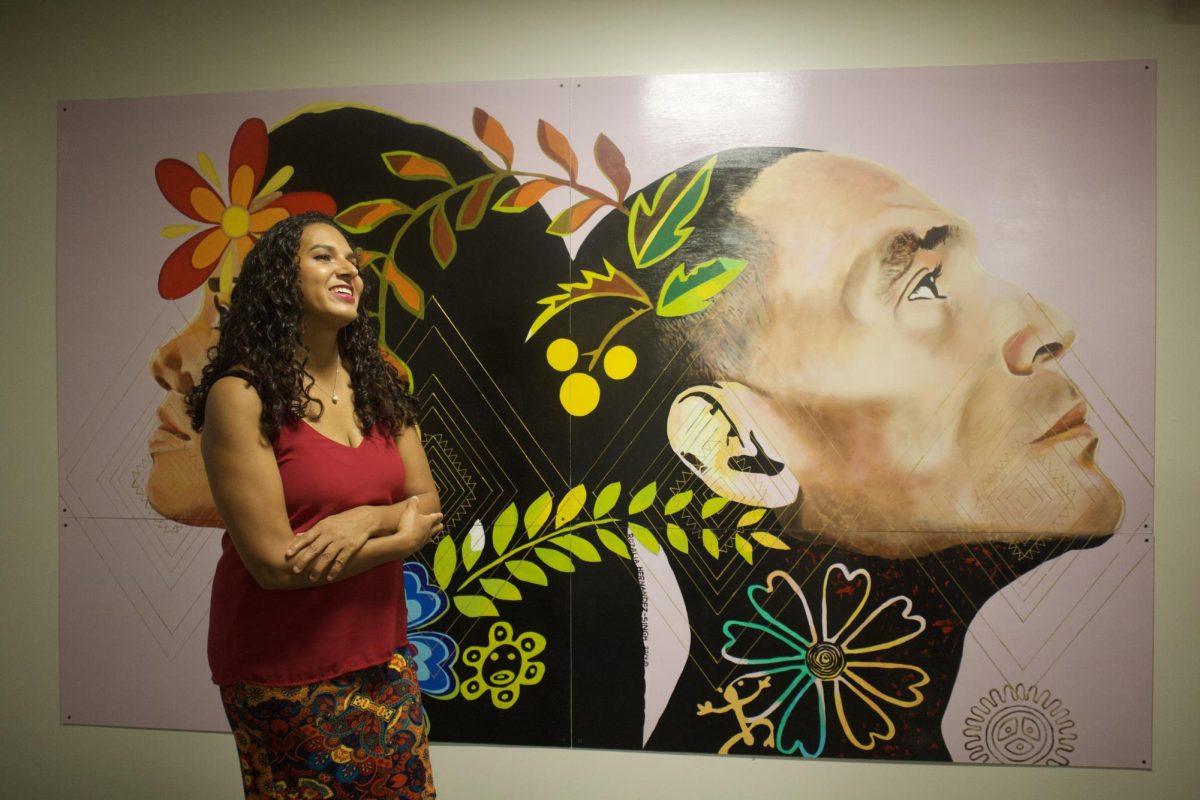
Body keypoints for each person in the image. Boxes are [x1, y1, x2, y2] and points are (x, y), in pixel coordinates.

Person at [187, 210, 444, 798]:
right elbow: (275, 566)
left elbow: (425, 502)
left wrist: (366, 521)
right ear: (281, 280)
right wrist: (398, 541)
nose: (347, 267)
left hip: (383, 653)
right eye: (324, 256)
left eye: (351, 259)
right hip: (281, 667)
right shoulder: (240, 395)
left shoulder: (380, 384)